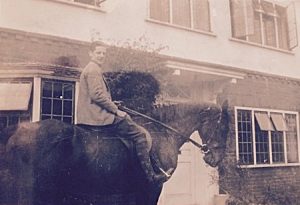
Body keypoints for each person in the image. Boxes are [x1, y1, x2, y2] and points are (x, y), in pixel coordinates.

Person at [76, 41, 168, 184]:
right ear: (90, 53)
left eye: (103, 53)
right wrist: (116, 111)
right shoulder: (93, 69)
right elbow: (97, 95)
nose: (101, 56)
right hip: (97, 116)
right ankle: (151, 176)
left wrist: (114, 103)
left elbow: (98, 95)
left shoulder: (91, 69)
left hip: (91, 114)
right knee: (140, 134)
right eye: (98, 53)